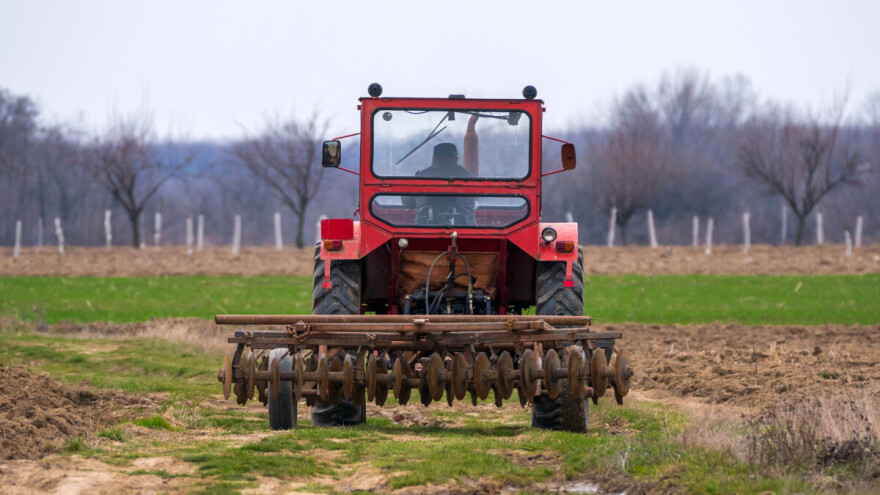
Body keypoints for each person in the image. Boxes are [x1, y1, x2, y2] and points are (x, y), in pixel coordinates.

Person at [402, 143, 476, 226]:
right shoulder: (467, 176)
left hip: (425, 231)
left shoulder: (422, 175)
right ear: (456, 158)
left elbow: (407, 204)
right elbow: (471, 203)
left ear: (434, 159)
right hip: (464, 231)